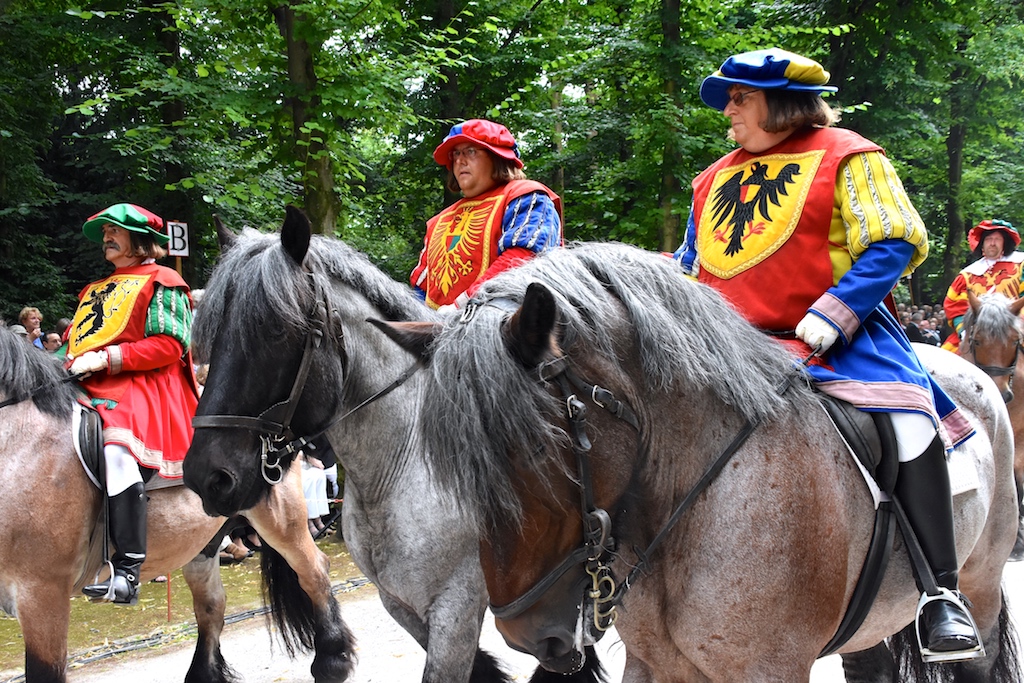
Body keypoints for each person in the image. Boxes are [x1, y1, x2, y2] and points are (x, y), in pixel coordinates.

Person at [673, 48, 981, 662]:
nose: (729, 108)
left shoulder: (850, 155)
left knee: (908, 422)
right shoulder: (711, 178)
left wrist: (834, 312)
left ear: (782, 102)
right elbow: (690, 266)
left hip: (836, 335)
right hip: (727, 346)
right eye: (730, 97)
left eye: (741, 96)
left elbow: (894, 240)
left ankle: (939, 595)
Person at [65, 203, 199, 605]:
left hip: (144, 383)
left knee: (117, 450)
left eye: (115, 231)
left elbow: (170, 344)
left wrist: (108, 359)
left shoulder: (164, 279)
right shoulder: (94, 289)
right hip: (88, 382)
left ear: (139, 240)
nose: (107, 237)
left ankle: (125, 571)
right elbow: (77, 343)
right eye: (105, 231)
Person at [410, 119, 563, 311]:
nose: (459, 161)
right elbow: (422, 284)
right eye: (455, 153)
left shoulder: (527, 195)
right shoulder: (438, 221)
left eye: (471, 151)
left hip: (511, 328)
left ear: (497, 157)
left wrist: (463, 303)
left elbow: (525, 258)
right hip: (438, 329)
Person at [942, 219, 1023, 352]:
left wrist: (1019, 326)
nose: (992, 243)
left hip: (1014, 328)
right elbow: (955, 307)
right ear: (982, 244)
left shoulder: (1021, 264)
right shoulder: (967, 275)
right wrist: (963, 331)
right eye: (988, 239)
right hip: (977, 333)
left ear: (1005, 242)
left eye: (997, 239)